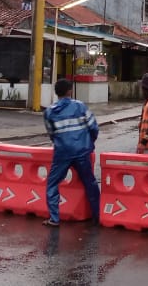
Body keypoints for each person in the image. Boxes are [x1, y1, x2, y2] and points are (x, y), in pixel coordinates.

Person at [42, 79, 100, 227]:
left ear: (56, 92)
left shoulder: (49, 112)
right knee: (90, 183)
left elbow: (51, 133)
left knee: (53, 183)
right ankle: (97, 215)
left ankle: (54, 218)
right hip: (81, 151)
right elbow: (94, 127)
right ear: (69, 91)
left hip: (62, 152)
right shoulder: (80, 106)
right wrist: (89, 143)